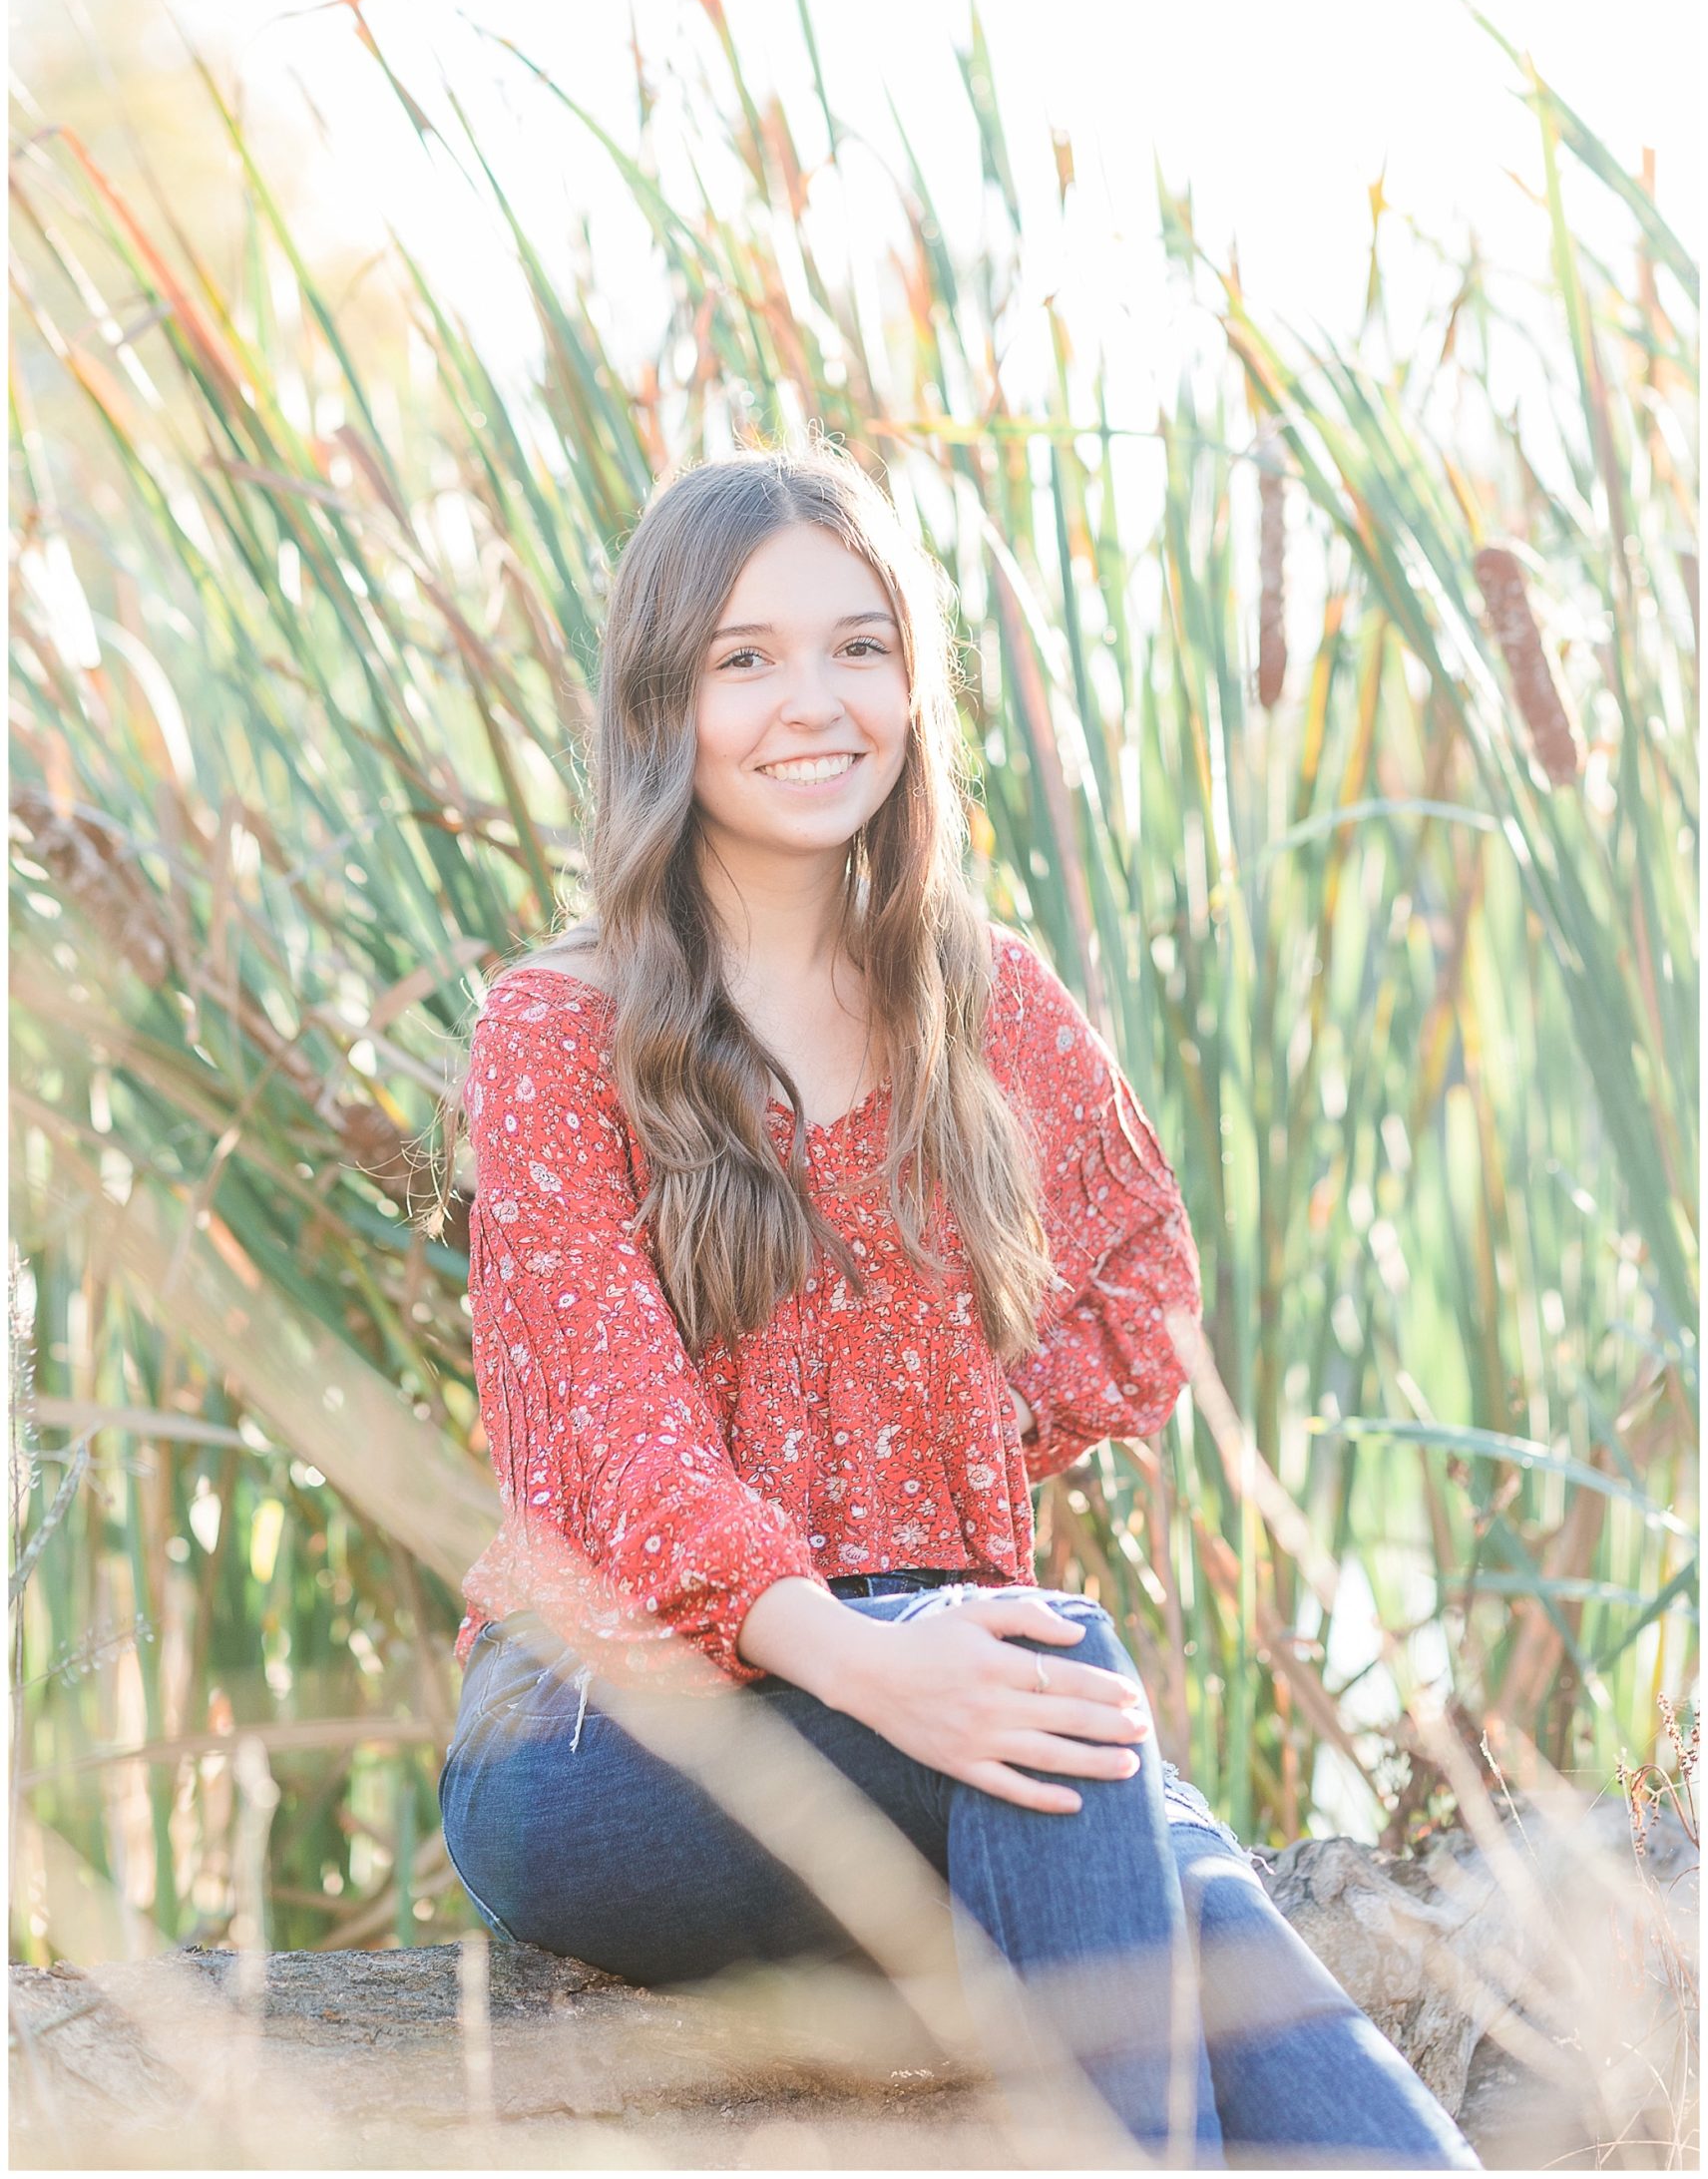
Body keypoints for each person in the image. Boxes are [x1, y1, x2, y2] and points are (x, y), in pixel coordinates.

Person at [436, 442, 1480, 2167]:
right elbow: (620, 1459)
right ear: (660, 702)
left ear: (916, 684)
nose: (814, 702)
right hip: (606, 1738)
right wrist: (864, 1643)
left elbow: (1141, 1281)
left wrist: (938, 1448)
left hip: (945, 1683)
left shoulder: (984, 1007)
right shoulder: (559, 1033)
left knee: (1123, 1808)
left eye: (860, 646)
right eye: (745, 658)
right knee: (1070, 1717)